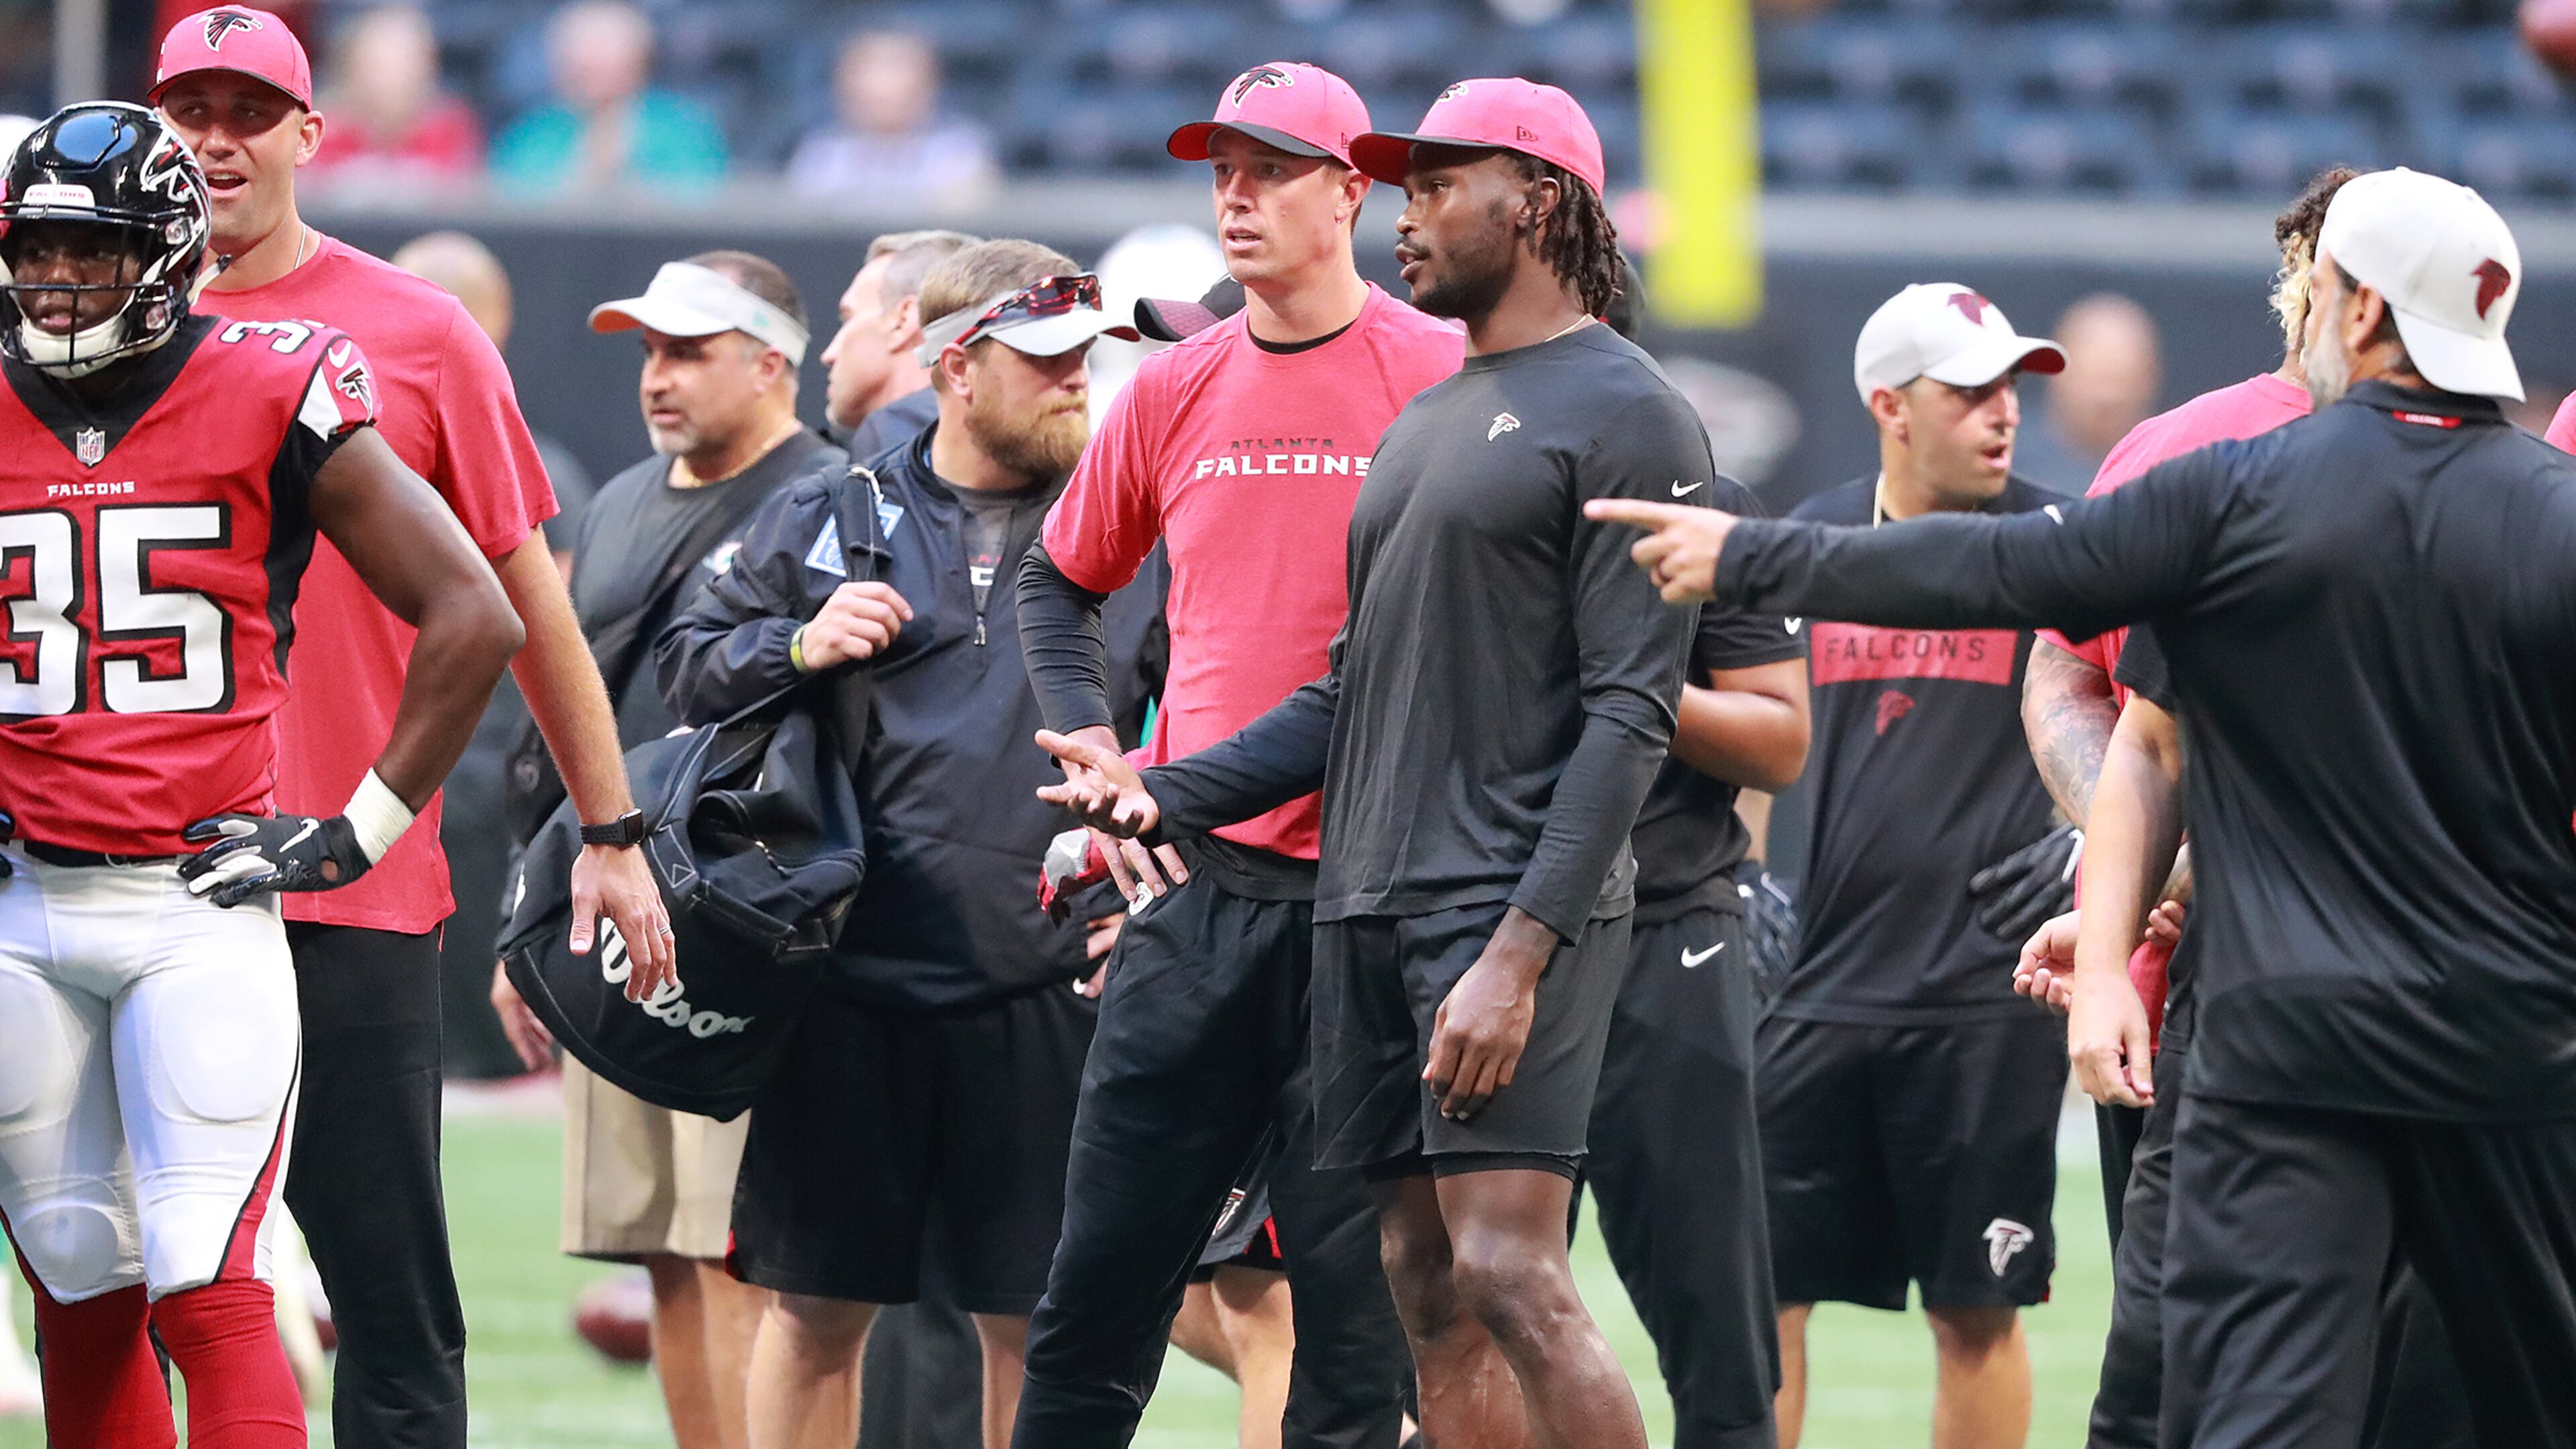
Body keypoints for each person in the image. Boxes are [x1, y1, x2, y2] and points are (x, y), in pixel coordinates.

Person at [1595, 166, 2576, 1449]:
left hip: (2285, 1057)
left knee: (2254, 1421)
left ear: (2359, 310)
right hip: (2514, 1051)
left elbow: (2010, 563)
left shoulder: (2246, 488)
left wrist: (1753, 555)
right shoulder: (2557, 518)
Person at [1042, 77, 1688, 1449]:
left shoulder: (1550, 395)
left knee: (1463, 1291)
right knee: (1343, 1292)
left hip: (1450, 901)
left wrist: (1521, 950)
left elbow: (1625, 709)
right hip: (1294, 905)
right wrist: (1152, 777)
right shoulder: (1346, 405)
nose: (1416, 209)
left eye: (1442, 182)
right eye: (1220, 168)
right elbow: (1336, 682)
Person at [151, 12, 678, 1446]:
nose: (214, 137)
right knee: (127, 1284)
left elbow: (530, 606)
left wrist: (613, 832)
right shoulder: (82, 329)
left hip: (350, 875)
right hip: (139, 882)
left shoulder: (417, 329)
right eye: (186, 105)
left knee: (389, 1306)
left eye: (247, 109)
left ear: (310, 135)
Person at [0, 100, 522, 1449]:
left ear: (168, 256)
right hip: (20, 899)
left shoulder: (267, 375)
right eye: (37, 251)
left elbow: (477, 612)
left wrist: (358, 829)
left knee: (212, 1282)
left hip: (195, 901)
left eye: (91, 253)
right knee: (73, 1276)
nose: (56, 282)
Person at [1009, 62, 1460, 1449]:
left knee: (1347, 1343)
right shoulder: (1176, 386)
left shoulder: (1439, 380)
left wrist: (1156, 785)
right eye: (1221, 171)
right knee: (1092, 1311)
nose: (1237, 196)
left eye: (1270, 169)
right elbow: (1055, 580)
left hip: (1375, 913)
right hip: (1198, 906)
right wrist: (1089, 730)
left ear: (1349, 193)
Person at [658, 239, 1166, 1449]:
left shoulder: (1138, 522)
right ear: (955, 367)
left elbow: (1216, 707)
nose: (1072, 381)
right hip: (849, 980)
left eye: (1083, 356)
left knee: (1036, 1324)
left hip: (1051, 978)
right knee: (815, 1311)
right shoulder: (837, 512)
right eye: (1042, 358)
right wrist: (797, 642)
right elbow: (687, 666)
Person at [2009, 168, 2473, 1449]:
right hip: (2208, 1003)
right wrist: (2138, 871)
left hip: (2422, 1002)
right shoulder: (2189, 446)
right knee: (2191, 1376)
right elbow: (2072, 664)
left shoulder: (2493, 472)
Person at [497, 251, 841, 1449]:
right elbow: (577, 711)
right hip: (614, 907)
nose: (659, 376)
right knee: (660, 1247)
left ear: (771, 361)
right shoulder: (624, 497)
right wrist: (529, 920)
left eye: (689, 350)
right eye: (649, 350)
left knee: (742, 1247)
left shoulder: (833, 497)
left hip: (740, 931)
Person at [1754, 282, 2072, 1449]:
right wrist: (1738, 879)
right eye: (1971, 392)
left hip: (1989, 999)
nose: (2004, 415)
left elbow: (2159, 728)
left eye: (2012, 391)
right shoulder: (1813, 544)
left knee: (1976, 1313)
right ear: (1889, 405)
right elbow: (1749, 730)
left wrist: (2093, 851)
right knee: (1765, 1300)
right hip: (1811, 989)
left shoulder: (2061, 548)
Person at [1583, 280, 1813, 1449]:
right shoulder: (1456, 492)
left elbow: (1779, 739)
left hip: (1670, 924)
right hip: (1473, 932)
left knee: (1719, 1341)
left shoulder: (1711, 506)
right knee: (1467, 1294)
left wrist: (1639, 690)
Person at [389, 227, 598, 1081]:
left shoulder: (353, 461)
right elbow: (564, 633)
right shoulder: (535, 467)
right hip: (481, 776)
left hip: (403, 774)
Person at [488, 0, 727, 195]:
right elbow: (512, 203)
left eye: (601, 56)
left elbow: (705, 201)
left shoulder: (682, 130)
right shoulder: (533, 135)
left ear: (638, 61)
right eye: (578, 58)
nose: (587, 64)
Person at [786, 30, 998, 208]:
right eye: (866, 74)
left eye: (894, 70)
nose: (880, 87)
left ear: (928, 85)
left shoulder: (960, 152)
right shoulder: (823, 154)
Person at [820, 227, 979, 460]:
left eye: (849, 318)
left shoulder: (894, 435)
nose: (829, 355)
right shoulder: (1002, 439)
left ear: (902, 321)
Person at [305, 5, 481, 191]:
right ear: (351, 69)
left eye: (404, 65)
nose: (391, 79)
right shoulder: (323, 132)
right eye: (378, 66)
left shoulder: (451, 131)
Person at [2010, 293, 2161, 493]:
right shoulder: (2010, 462)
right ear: (2058, 376)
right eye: (2097, 378)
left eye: (2120, 379)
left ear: (2150, 379)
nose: (2108, 397)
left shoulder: (2174, 464)